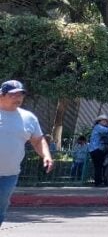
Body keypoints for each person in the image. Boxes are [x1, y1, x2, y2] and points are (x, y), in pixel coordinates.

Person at [0, 80, 52, 225]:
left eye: (21, 94)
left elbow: (37, 141)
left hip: (9, 175)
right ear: (1, 95)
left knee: (0, 209)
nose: (18, 98)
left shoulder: (28, 118)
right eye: (13, 95)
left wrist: (46, 156)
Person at [89, 114, 108, 187]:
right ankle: (98, 182)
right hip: (96, 149)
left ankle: (99, 181)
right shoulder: (99, 127)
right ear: (100, 121)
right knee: (99, 166)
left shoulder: (97, 128)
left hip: (94, 150)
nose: (106, 122)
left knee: (98, 166)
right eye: (105, 121)